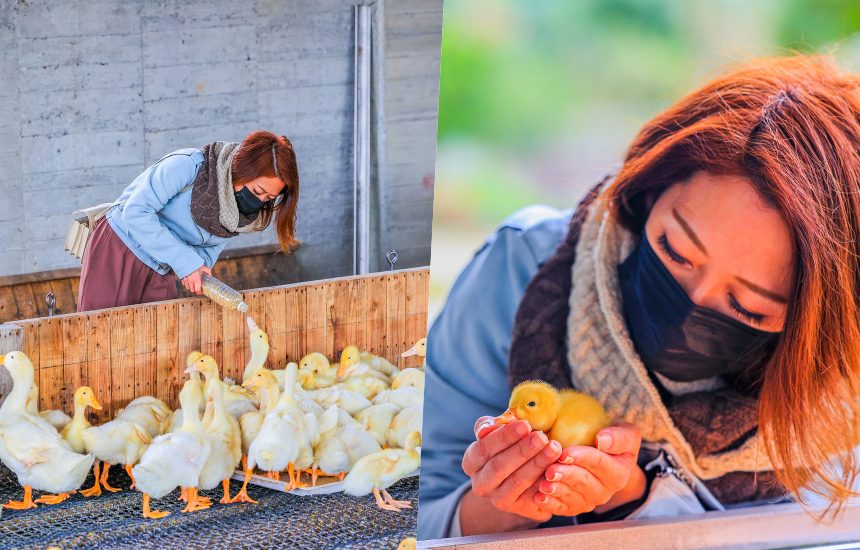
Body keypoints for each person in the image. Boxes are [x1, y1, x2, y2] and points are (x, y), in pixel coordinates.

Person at [418, 54, 860, 540]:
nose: (688, 310)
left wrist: (633, 500)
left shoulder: (838, 397)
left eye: (747, 307)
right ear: (648, 191)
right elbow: (402, 508)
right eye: (674, 250)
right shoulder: (522, 264)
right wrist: (506, 506)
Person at [77, 130, 299, 311]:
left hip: (163, 267)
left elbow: (207, 250)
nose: (259, 201)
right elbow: (136, 212)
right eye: (257, 190)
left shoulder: (241, 214)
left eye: (269, 198)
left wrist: (199, 269)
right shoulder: (188, 166)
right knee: (98, 334)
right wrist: (186, 263)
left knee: (157, 344)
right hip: (120, 249)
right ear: (241, 171)